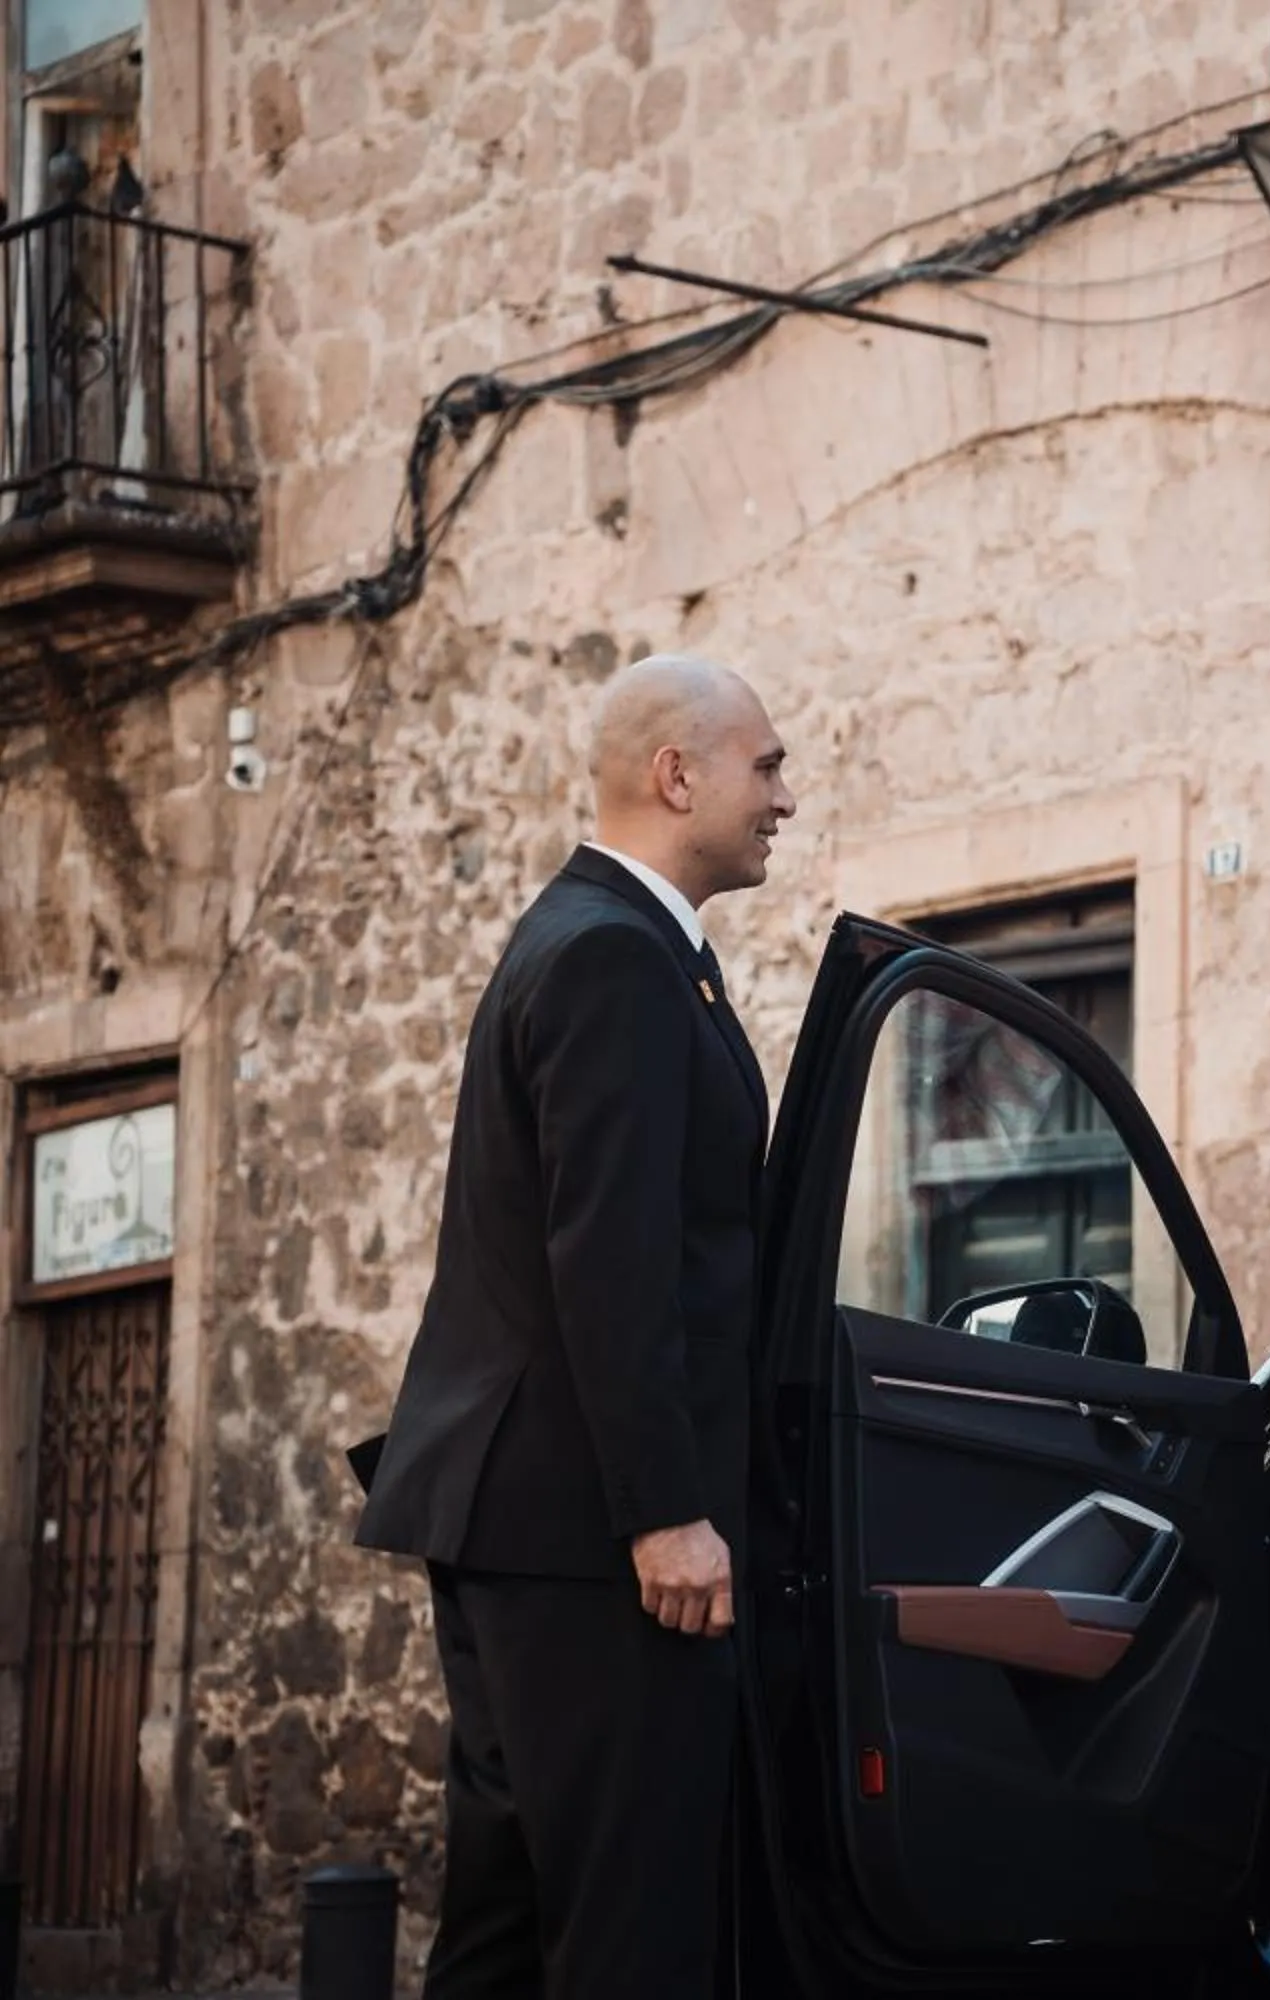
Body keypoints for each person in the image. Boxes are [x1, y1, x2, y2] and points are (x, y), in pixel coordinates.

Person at [352, 653, 796, 1998]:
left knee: (508, 1932)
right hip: (594, 1544)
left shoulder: (602, 940)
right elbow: (609, 1255)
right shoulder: (613, 955)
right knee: (626, 1933)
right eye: (766, 767)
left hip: (527, 1528)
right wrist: (664, 1512)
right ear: (679, 776)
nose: (783, 798)